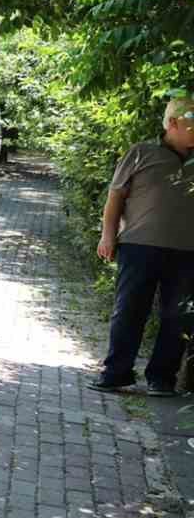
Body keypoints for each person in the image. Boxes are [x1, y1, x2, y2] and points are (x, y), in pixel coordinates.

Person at [89, 96, 194, 396]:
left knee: (178, 317)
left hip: (188, 252)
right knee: (129, 311)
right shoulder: (140, 153)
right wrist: (107, 236)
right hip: (139, 246)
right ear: (173, 123)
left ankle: (161, 379)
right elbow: (115, 199)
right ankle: (116, 373)